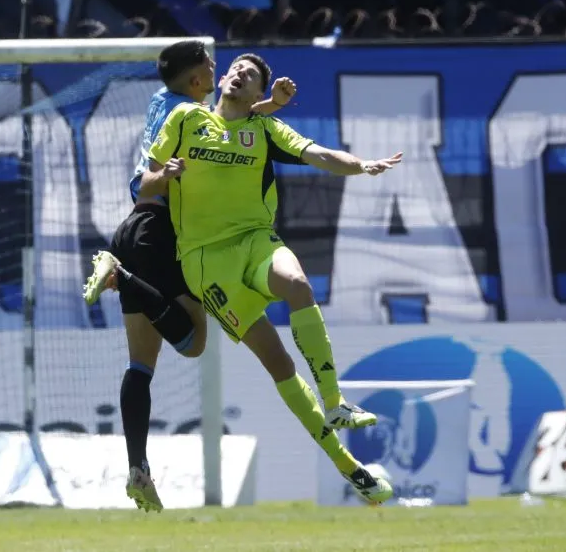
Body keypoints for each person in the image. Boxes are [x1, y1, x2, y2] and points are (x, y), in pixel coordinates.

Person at [143, 53, 403, 504]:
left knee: (298, 284)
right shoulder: (185, 118)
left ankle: (335, 402)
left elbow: (318, 153)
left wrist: (360, 164)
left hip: (256, 240)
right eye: (237, 69)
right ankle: (350, 467)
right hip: (205, 262)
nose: (241, 74)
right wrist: (163, 176)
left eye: (252, 76)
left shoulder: (264, 129)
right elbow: (144, 182)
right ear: (223, 79)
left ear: (258, 94)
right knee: (279, 363)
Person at [81, 40, 290, 512]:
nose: (219, 73)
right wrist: (269, 104)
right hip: (161, 233)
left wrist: (263, 102)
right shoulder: (194, 119)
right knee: (194, 341)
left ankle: (138, 469)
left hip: (130, 228)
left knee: (141, 365)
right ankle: (122, 277)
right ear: (198, 82)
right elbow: (233, 117)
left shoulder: (160, 103)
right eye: (212, 67)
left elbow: (230, 109)